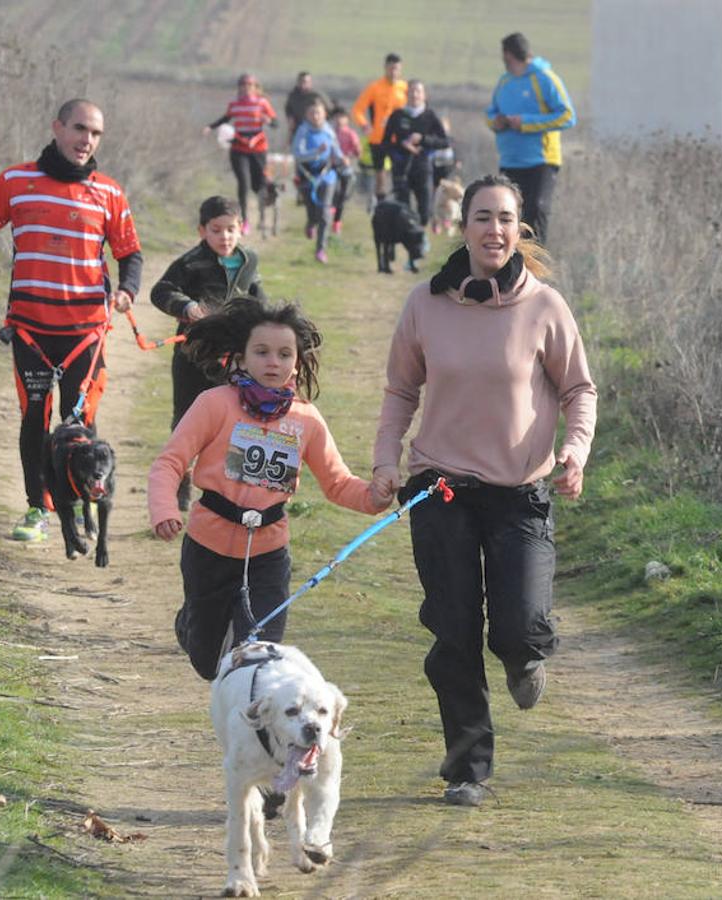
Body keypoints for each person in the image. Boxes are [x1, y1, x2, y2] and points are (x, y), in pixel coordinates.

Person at [371, 175, 597, 807]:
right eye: (481, 218)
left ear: (518, 228)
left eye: (505, 219)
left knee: (519, 628)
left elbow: (580, 390)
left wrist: (573, 453)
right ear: (463, 226)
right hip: (439, 487)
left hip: (518, 492)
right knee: (454, 632)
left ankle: (524, 655)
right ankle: (468, 768)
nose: (493, 230)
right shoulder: (425, 303)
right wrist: (385, 461)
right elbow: (399, 393)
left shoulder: (545, 306)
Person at [148, 297, 393, 681]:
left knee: (259, 657)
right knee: (208, 662)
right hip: (208, 548)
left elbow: (337, 482)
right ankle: (191, 624)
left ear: (297, 361)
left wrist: (375, 498)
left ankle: (255, 727)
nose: (273, 362)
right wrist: (164, 510)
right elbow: (170, 462)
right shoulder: (214, 404)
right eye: (261, 352)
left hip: (268, 553)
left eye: (283, 354)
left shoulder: (306, 420)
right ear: (241, 358)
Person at [0, 98, 142, 542]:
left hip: (85, 334)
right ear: (57, 127)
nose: (86, 140)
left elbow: (129, 253)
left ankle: (73, 512)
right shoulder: (16, 181)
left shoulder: (109, 192)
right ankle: (37, 509)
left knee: (79, 427)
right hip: (31, 331)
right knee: (34, 419)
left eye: (95, 134)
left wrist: (127, 290)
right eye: (79, 129)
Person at [149, 196, 265, 511]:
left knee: (235, 419)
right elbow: (160, 291)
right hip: (192, 356)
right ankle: (180, 484)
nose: (224, 237)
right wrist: (186, 307)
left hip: (234, 359)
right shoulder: (190, 263)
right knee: (186, 421)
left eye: (231, 229)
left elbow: (258, 299)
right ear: (203, 231)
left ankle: (227, 490)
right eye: (216, 230)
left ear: (242, 228)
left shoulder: (249, 261)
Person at [486, 32, 575, 246]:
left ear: (508, 55)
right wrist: (495, 123)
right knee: (510, 215)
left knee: (536, 209)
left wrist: (525, 122)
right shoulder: (504, 82)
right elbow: (490, 114)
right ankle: (512, 267)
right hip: (510, 160)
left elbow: (567, 116)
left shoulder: (545, 78)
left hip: (541, 160)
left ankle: (536, 269)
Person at [204, 73, 278, 236]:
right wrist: (210, 127)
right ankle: (244, 222)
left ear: (255, 87)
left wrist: (269, 121)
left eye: (249, 85)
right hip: (239, 149)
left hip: (258, 149)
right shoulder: (234, 104)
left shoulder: (262, 103)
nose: (246, 88)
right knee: (243, 184)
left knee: (259, 185)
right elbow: (225, 118)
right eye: (243, 85)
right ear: (239, 88)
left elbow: (276, 123)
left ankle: (264, 212)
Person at [383, 79, 449, 228]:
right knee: (402, 210)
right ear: (406, 94)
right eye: (411, 91)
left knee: (425, 212)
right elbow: (385, 143)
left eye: (418, 91)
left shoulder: (430, 116)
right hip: (401, 167)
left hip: (423, 166)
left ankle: (420, 234)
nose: (415, 94)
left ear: (424, 95)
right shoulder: (397, 115)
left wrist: (423, 139)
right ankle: (408, 242)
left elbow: (444, 141)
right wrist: (401, 145)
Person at [292, 99, 344, 264]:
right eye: (312, 113)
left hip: (327, 174)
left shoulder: (329, 131)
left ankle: (321, 249)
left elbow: (336, 150)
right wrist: (316, 152)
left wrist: (342, 159)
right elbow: (298, 154)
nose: (315, 116)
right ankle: (310, 223)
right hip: (307, 174)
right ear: (307, 115)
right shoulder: (303, 131)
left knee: (324, 212)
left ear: (324, 115)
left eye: (318, 113)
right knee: (313, 211)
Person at [350, 53, 407, 201]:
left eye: (396, 69)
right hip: (378, 139)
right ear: (385, 68)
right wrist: (364, 126)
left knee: (399, 174)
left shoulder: (405, 88)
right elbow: (357, 110)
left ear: (400, 70)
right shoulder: (374, 88)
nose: (393, 72)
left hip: (398, 140)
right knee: (380, 176)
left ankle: (398, 204)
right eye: (391, 68)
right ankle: (380, 205)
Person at [328, 108, 361, 235]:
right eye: (337, 117)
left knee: (342, 196)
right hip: (331, 167)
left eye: (342, 117)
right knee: (333, 191)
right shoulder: (329, 132)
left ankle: (337, 222)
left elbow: (357, 152)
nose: (339, 120)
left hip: (346, 169)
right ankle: (330, 211)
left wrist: (353, 153)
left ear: (347, 119)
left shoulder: (351, 134)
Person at [284, 71, 333, 144]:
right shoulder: (293, 96)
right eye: (301, 81)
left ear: (310, 82)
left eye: (306, 82)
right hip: (298, 129)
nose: (303, 84)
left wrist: (321, 121)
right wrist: (290, 117)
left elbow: (330, 109)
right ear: (298, 82)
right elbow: (288, 108)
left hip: (315, 129)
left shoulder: (316, 95)